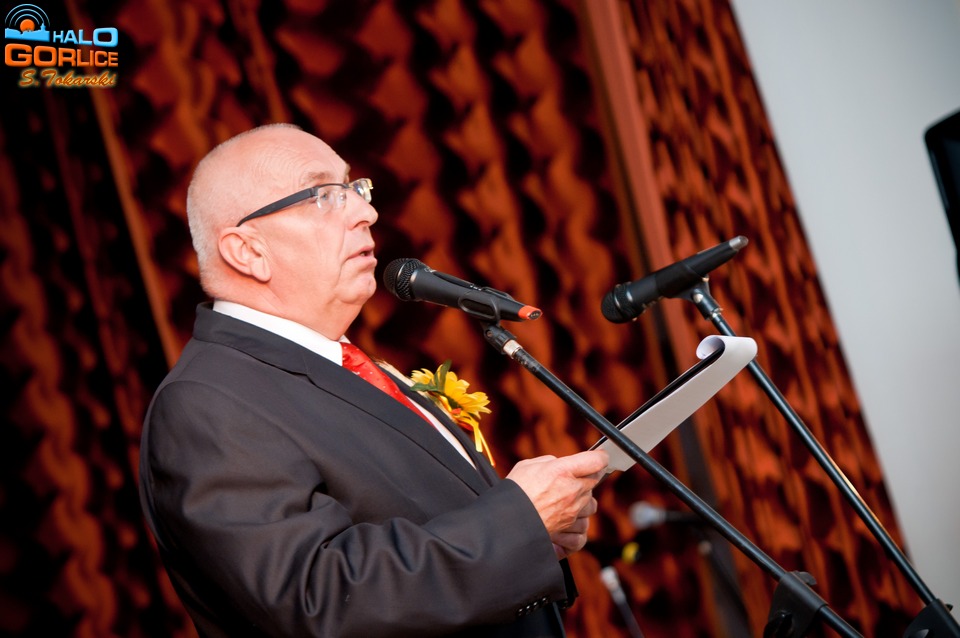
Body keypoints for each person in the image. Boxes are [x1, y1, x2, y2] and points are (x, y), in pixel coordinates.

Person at [138, 123, 609, 637]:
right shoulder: (208, 402)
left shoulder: (344, 363)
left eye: (354, 188)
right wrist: (516, 522)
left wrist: (535, 538)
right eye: (324, 195)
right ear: (247, 251)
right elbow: (316, 601)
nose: (367, 212)